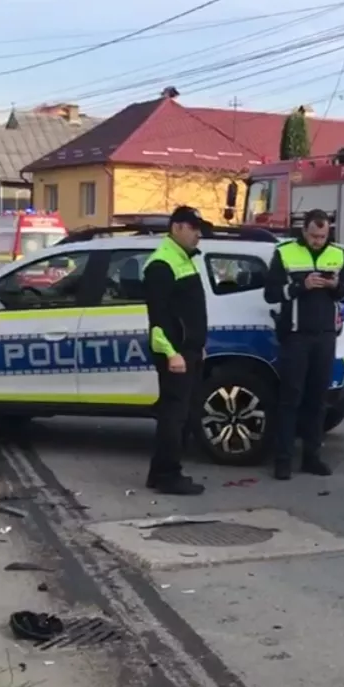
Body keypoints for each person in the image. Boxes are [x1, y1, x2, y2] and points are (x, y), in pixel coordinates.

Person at [263, 208, 344, 480]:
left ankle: (312, 458)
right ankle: (283, 460)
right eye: (314, 236)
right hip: (296, 335)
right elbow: (270, 293)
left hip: (325, 336)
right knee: (290, 399)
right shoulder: (285, 252)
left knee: (317, 400)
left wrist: (335, 286)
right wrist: (301, 285)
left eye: (322, 236)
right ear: (304, 231)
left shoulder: (337, 255)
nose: (317, 241)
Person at [143, 206, 210, 495]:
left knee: (182, 413)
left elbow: (189, 311)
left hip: (188, 350)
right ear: (176, 228)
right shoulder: (162, 264)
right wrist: (172, 353)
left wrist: (198, 346)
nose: (198, 234)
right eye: (193, 228)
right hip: (175, 353)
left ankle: (158, 473)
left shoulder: (183, 258)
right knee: (174, 416)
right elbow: (159, 318)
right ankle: (169, 475)